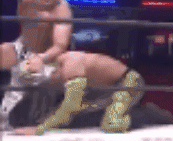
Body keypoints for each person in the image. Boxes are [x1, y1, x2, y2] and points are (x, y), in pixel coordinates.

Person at [0, 0, 72, 130]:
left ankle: (5, 118)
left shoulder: (62, 9)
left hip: (47, 58)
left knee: (24, 73)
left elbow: (60, 45)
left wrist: (41, 58)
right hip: (22, 47)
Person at [10, 51, 148, 135]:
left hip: (129, 82)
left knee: (111, 124)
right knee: (82, 108)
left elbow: (69, 108)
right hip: (107, 88)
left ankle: (144, 115)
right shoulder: (61, 62)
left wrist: (40, 129)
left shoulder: (70, 66)